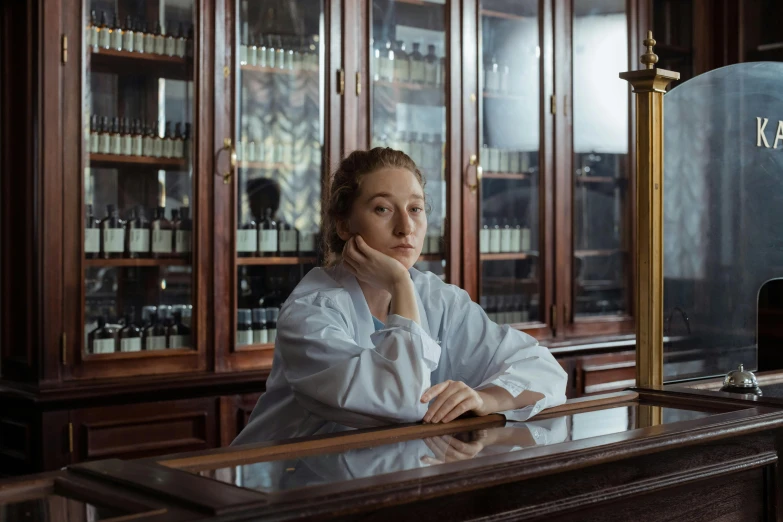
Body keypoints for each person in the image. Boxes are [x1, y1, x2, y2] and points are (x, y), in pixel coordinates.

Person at [232, 148, 568, 445]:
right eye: (382, 209)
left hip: (387, 480)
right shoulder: (310, 311)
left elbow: (545, 371)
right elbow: (403, 400)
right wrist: (399, 284)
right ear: (344, 224)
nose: (405, 227)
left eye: (416, 209)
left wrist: (484, 400)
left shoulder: (438, 298)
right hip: (280, 490)